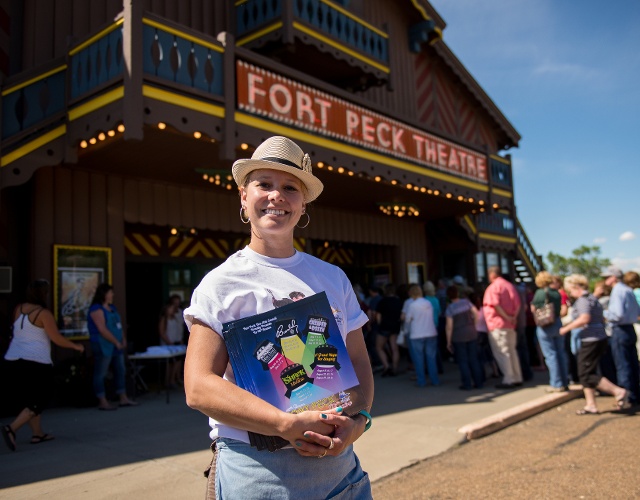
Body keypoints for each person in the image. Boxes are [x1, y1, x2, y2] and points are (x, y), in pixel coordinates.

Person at [182, 136, 374, 499]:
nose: (276, 196)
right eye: (264, 184)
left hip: (339, 467)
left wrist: (359, 422)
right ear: (243, 195)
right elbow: (198, 385)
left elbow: (359, 361)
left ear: (303, 205)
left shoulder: (333, 277)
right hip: (257, 469)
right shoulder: (220, 284)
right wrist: (284, 424)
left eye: (290, 187)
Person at [1, 280, 84, 451]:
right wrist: (75, 346)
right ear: (42, 294)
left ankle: (37, 434)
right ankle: (11, 428)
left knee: (31, 398)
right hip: (36, 361)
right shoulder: (43, 313)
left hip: (14, 360)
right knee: (41, 397)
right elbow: (56, 338)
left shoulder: (19, 309)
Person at [559, 274, 629, 414]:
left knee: (585, 373)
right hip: (598, 337)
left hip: (591, 340)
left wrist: (566, 328)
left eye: (570, 290)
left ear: (576, 287)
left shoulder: (583, 300)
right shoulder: (592, 298)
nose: (570, 293)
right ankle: (591, 404)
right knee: (587, 371)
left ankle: (618, 391)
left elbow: (585, 318)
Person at [88, 283, 138, 410]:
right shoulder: (96, 309)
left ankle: (123, 397)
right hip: (103, 344)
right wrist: (116, 341)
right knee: (101, 373)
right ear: (104, 294)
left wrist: (123, 339)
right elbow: (102, 329)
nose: (112, 295)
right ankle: (102, 400)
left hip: (117, 345)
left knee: (121, 370)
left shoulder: (112, 308)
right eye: (110, 292)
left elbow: (118, 325)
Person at [602, 266, 640, 406]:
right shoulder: (628, 290)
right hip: (629, 328)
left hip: (620, 329)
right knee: (633, 364)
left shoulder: (618, 291)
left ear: (614, 278)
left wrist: (604, 314)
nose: (605, 279)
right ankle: (635, 395)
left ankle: (626, 397)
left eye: (607, 277)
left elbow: (617, 314)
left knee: (623, 365)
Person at [483, 266, 523, 389]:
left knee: (502, 352)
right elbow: (518, 304)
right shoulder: (510, 286)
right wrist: (513, 317)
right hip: (510, 324)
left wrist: (506, 317)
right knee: (512, 351)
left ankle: (508, 379)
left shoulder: (493, 287)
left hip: (498, 324)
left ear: (492, 275)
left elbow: (495, 305)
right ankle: (517, 376)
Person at [530, 271, 569, 392]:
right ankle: (564, 381)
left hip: (545, 324)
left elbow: (534, 308)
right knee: (560, 353)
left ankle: (556, 383)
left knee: (550, 354)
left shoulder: (540, 292)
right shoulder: (556, 292)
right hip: (557, 322)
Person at [445, 286, 483, 390]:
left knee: (463, 361)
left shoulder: (450, 308)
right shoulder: (466, 302)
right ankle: (478, 382)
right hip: (471, 332)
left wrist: (448, 341)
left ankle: (467, 384)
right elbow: (476, 313)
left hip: (458, 335)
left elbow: (449, 326)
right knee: (473, 359)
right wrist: (474, 325)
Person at [403, 284, 439, 387]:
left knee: (418, 359)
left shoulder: (412, 305)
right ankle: (434, 380)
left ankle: (421, 381)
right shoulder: (428, 303)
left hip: (417, 334)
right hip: (430, 332)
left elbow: (408, 319)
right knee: (431, 358)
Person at [375, 283, 403, 377]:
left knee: (379, 347)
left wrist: (379, 324)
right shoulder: (399, 301)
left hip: (384, 326)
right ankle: (395, 368)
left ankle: (386, 366)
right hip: (395, 326)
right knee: (394, 348)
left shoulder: (383, 301)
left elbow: (378, 316)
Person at [159, 299, 185, 388]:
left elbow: (178, 330)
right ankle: (167, 382)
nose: (172, 310)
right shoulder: (164, 319)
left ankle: (173, 379)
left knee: (177, 362)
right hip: (168, 345)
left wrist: (180, 340)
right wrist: (169, 342)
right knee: (169, 364)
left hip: (176, 343)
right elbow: (162, 332)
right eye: (170, 308)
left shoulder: (175, 318)